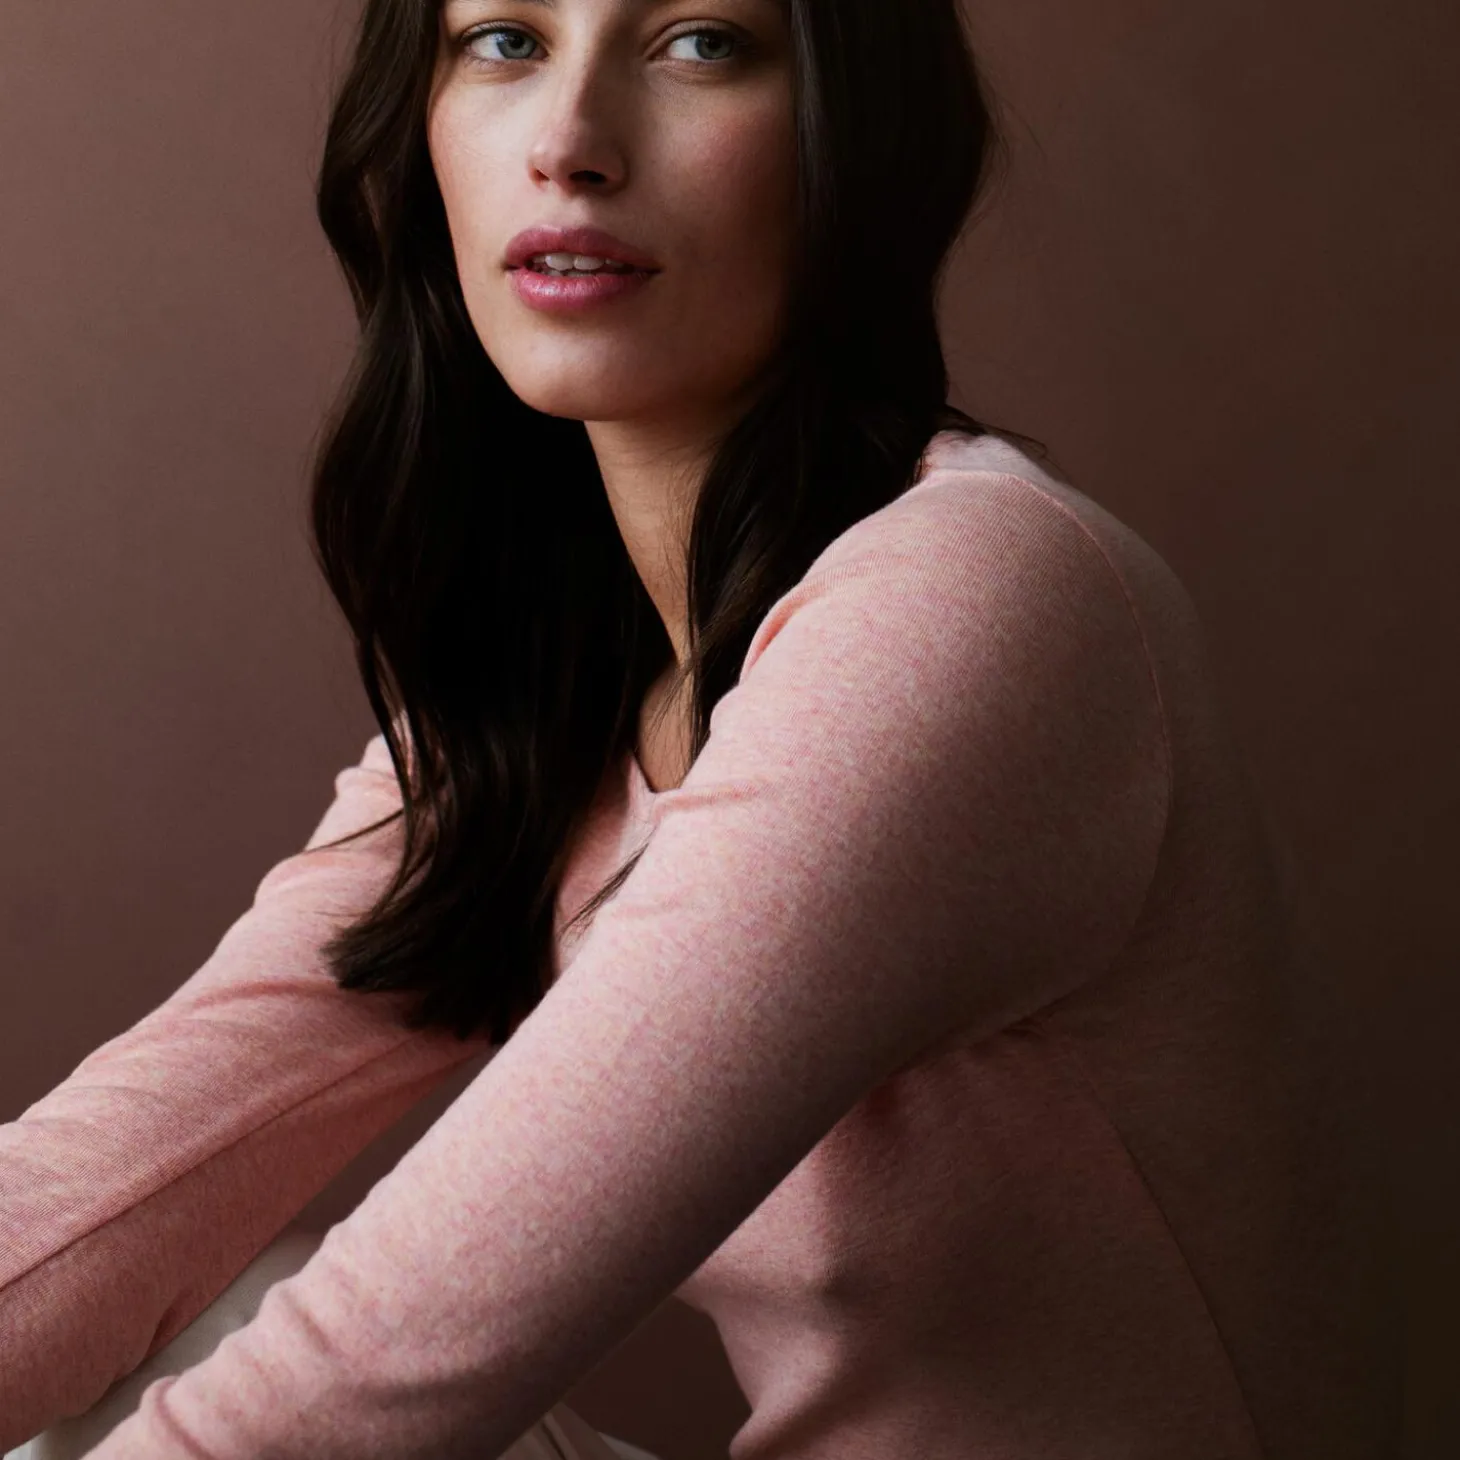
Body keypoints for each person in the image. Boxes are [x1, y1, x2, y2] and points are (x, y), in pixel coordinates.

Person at [0, 1, 1402, 1457]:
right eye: (505, 40)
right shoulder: (557, 678)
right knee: (190, 1311)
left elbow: (393, 1354)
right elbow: (109, 1195)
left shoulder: (978, 601)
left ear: (852, 133)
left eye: (700, 43)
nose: (570, 144)